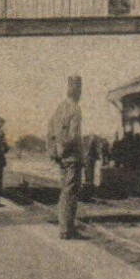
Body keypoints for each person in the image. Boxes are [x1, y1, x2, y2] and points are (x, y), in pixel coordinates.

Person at [48, 76, 84, 239]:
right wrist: (65, 149)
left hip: (62, 158)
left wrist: (54, 152)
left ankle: (65, 226)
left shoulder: (59, 108)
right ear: (77, 91)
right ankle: (67, 229)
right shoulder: (75, 109)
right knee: (71, 192)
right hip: (72, 157)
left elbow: (50, 132)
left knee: (64, 191)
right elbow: (74, 135)